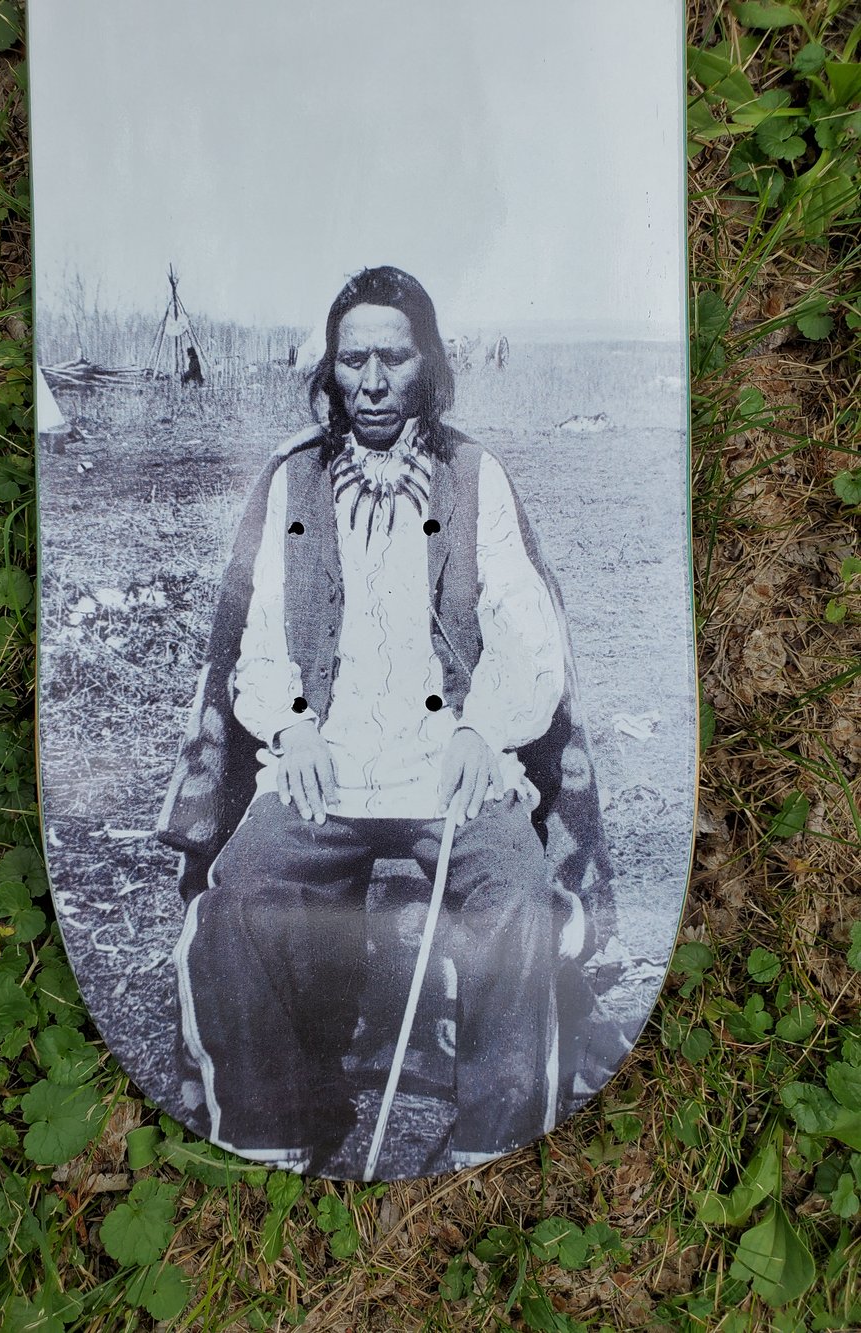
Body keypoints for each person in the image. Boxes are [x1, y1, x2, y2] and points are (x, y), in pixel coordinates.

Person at [158, 266, 618, 1176]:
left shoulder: (477, 476)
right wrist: (291, 730)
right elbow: (257, 644)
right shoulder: (293, 482)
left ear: (428, 365)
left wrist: (482, 733)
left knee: (518, 894)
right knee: (241, 896)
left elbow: (527, 636)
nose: (371, 381)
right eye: (353, 358)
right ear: (330, 368)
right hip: (325, 758)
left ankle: (496, 1142)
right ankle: (280, 1130)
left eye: (392, 359)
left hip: (451, 756)